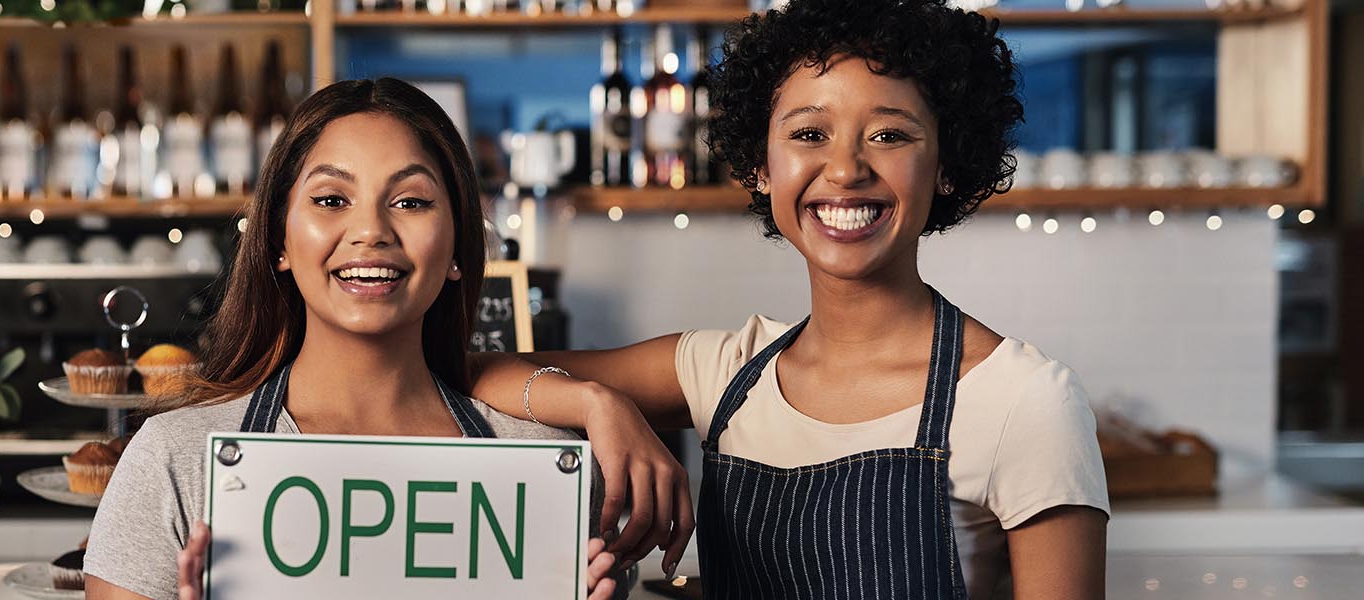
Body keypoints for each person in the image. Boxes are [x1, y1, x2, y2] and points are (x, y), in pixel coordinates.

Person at [471, 0, 1110, 597]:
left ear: (945, 164)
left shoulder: (1023, 400)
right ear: (759, 164)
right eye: (809, 134)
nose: (845, 169)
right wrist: (595, 402)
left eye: (889, 136)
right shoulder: (721, 375)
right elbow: (466, 372)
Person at [83, 78, 642, 600]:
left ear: (456, 247)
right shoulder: (173, 462)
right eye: (331, 200)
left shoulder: (548, 469)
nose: (372, 230)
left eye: (411, 201)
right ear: (278, 239)